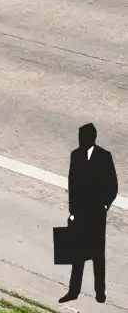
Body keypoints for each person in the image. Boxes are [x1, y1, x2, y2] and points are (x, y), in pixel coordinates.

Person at [66, 122, 117, 303]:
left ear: (92, 138)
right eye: (80, 138)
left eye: (83, 138)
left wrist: (104, 206)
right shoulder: (75, 155)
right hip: (80, 214)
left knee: (97, 255)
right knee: (77, 254)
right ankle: (73, 291)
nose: (80, 141)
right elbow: (72, 185)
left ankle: (100, 293)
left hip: (96, 215)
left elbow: (113, 185)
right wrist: (72, 211)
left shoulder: (104, 156)